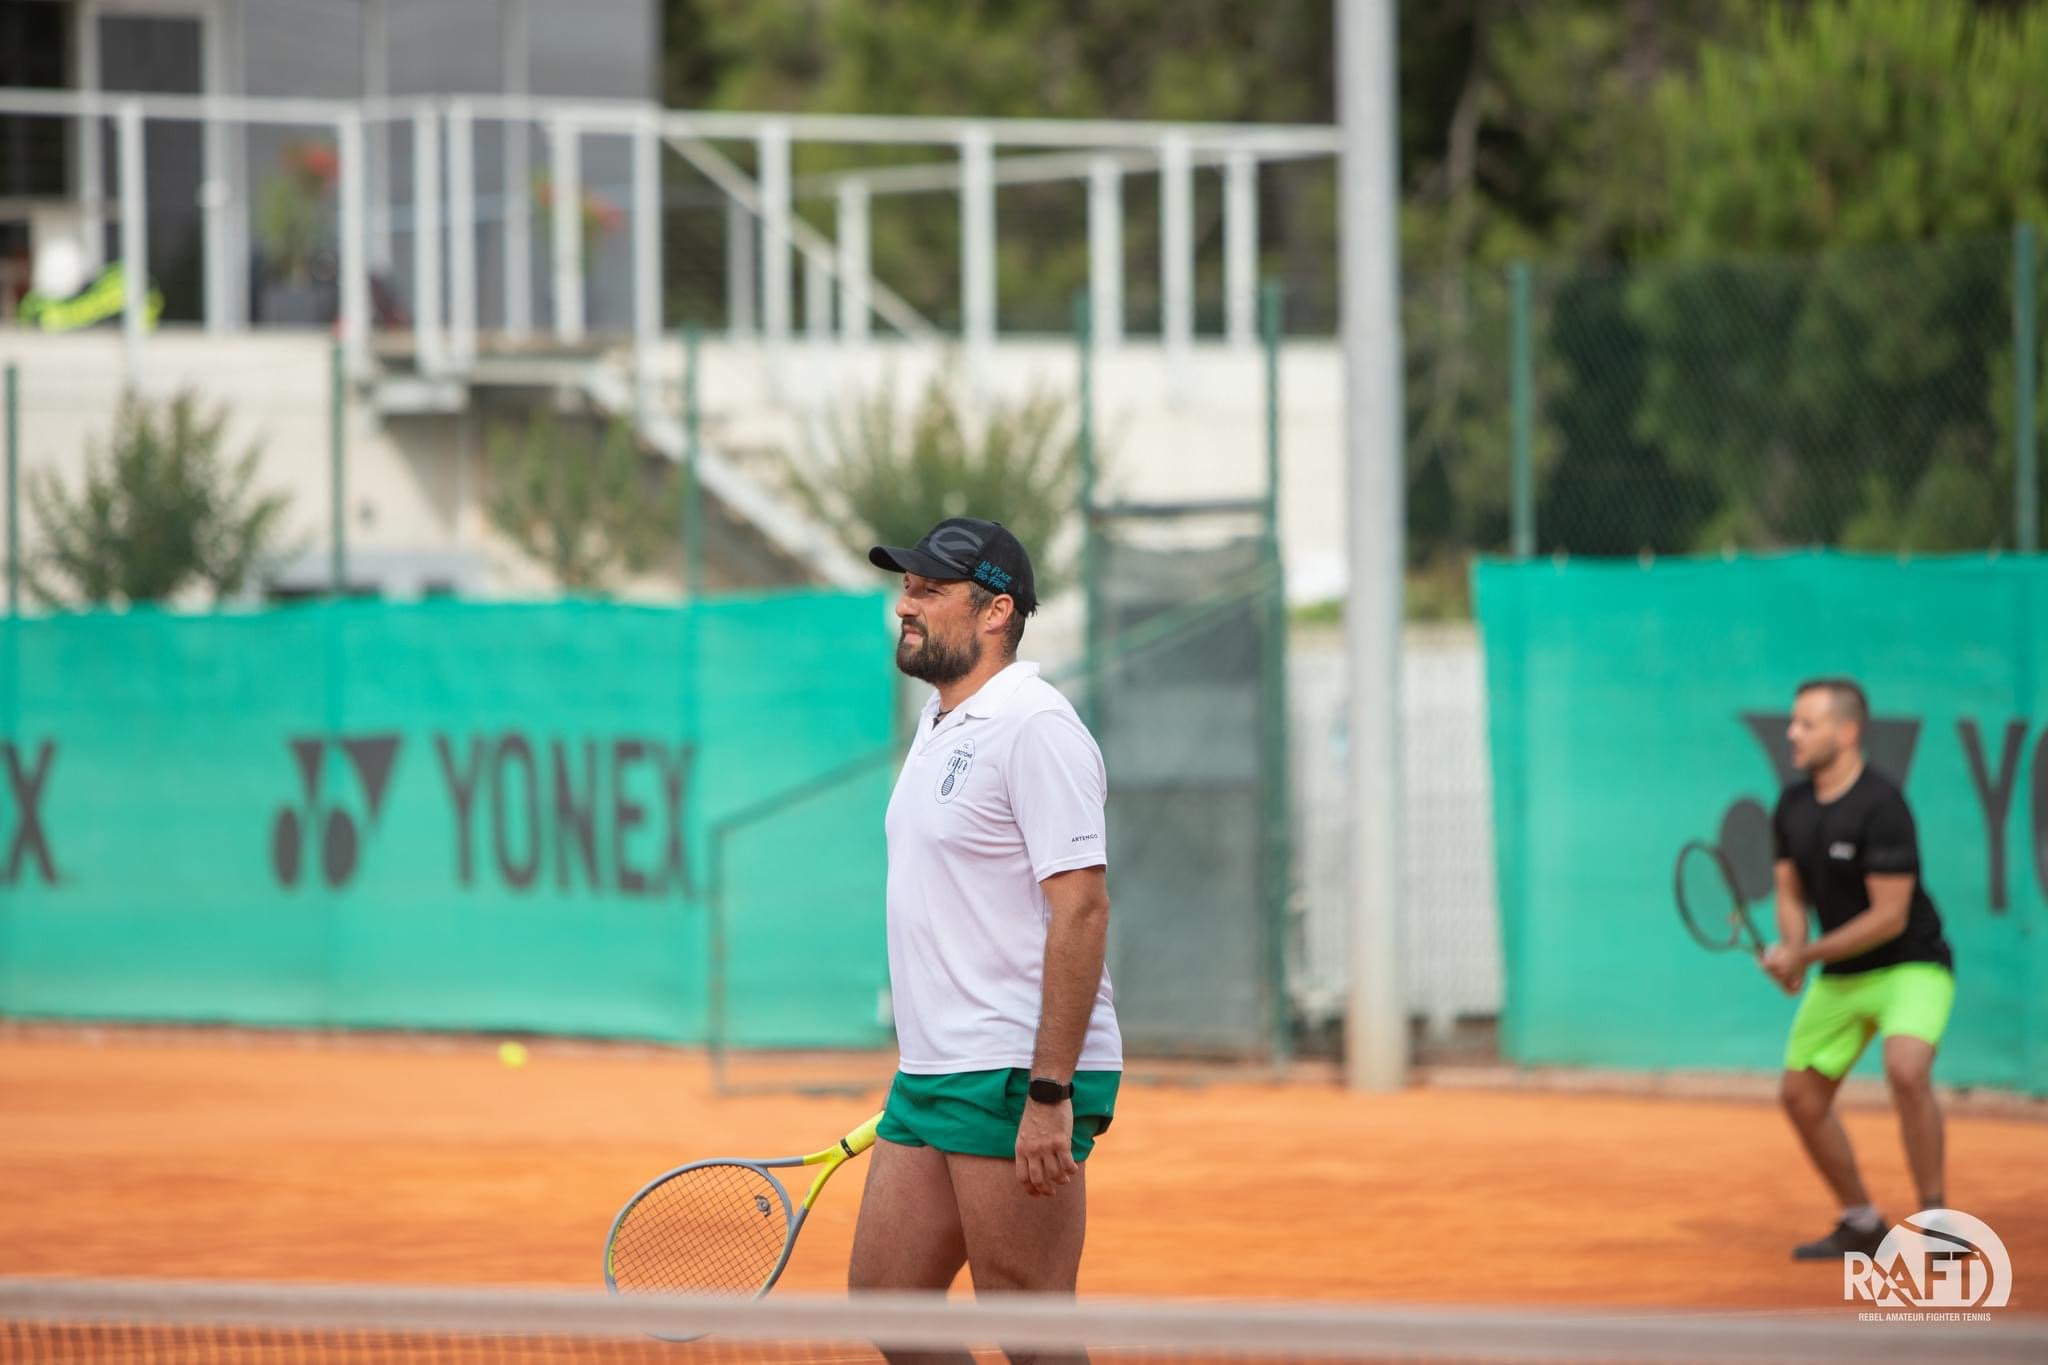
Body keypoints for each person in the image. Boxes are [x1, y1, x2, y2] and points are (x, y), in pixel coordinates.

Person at [848, 516, 1121, 1355]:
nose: (908, 603)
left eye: (930, 589)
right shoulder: (942, 723)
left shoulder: (1033, 724)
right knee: (884, 1303)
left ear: (996, 610)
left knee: (1029, 1327)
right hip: (932, 1072)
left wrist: (1048, 1092)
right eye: (907, 585)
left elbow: (1081, 908)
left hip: (1010, 1071)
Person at [1764, 677, 1955, 1260]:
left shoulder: (1883, 806)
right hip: (1842, 977)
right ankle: (1862, 1221)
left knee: (1905, 1069)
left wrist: (1807, 955)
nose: (1792, 733)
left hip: (1910, 965)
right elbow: (1791, 896)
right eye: (1793, 722)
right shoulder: (1792, 806)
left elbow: (1889, 918)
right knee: (1799, 1097)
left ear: (1847, 732)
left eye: (1807, 724)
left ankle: (1938, 1222)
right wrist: (1792, 948)